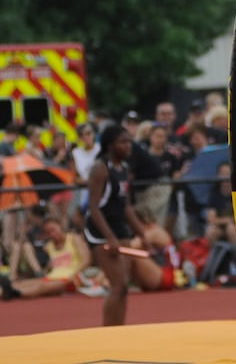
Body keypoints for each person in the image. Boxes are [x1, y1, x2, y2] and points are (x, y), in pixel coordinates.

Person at [84, 124, 150, 326]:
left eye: (129, 141)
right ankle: (108, 331)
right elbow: (93, 208)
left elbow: (126, 206)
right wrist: (110, 238)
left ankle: (119, 330)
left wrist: (142, 233)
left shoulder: (124, 169)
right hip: (101, 232)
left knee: (124, 287)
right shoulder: (100, 168)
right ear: (110, 145)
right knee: (118, 285)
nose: (129, 146)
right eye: (123, 142)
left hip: (119, 228)